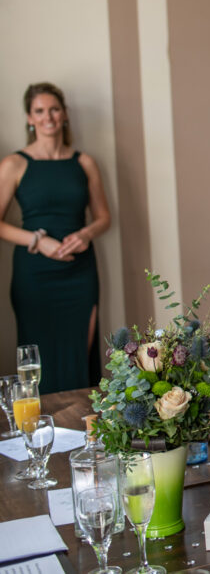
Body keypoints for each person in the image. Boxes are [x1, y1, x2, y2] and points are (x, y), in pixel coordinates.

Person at [0, 83, 110, 393]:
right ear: (29, 118)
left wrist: (86, 234)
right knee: (40, 363)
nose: (48, 116)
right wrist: (38, 241)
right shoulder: (14, 164)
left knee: (80, 355)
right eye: (39, 111)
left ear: (64, 115)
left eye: (54, 109)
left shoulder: (84, 162)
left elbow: (104, 217)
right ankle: (45, 435)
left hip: (80, 272)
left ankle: (87, 433)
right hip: (34, 275)